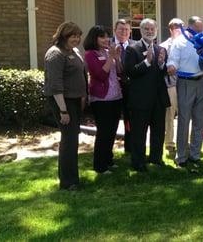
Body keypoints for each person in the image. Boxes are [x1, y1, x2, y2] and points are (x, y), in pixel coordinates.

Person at [43, 21, 86, 191]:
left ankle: (71, 178)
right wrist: (63, 110)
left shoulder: (73, 51)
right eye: (72, 36)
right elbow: (55, 84)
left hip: (74, 100)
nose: (76, 39)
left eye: (78, 36)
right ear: (63, 36)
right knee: (68, 140)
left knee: (72, 139)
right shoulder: (55, 54)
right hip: (63, 101)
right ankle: (68, 182)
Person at [123, 18, 170, 172]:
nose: (150, 32)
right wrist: (147, 62)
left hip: (158, 99)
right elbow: (130, 71)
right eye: (147, 29)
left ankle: (156, 158)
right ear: (141, 31)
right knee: (139, 133)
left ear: (156, 30)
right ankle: (138, 162)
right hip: (140, 100)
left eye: (152, 29)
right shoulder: (132, 49)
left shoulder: (160, 49)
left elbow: (161, 73)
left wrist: (162, 64)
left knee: (158, 131)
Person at [168, 16, 203, 167]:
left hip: (200, 82)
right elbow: (172, 60)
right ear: (190, 28)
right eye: (198, 29)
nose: (200, 32)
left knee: (200, 120)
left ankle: (195, 154)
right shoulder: (179, 42)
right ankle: (181, 156)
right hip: (185, 82)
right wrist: (171, 67)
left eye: (201, 29)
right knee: (184, 120)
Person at [83, 25, 123, 174]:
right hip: (101, 99)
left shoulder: (108, 52)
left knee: (112, 131)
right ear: (94, 38)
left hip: (116, 96)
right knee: (103, 132)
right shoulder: (90, 54)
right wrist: (111, 57)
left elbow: (119, 71)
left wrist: (116, 59)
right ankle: (99, 165)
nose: (106, 39)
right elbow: (100, 75)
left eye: (107, 36)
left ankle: (108, 160)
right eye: (102, 37)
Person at [160, 18, 184, 159]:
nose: (178, 29)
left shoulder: (187, 44)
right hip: (170, 85)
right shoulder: (164, 46)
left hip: (186, 83)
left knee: (185, 113)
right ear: (170, 30)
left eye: (181, 27)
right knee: (170, 114)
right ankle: (169, 142)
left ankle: (183, 141)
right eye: (175, 27)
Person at [113, 19, 135, 153]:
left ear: (130, 31)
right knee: (111, 121)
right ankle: (107, 150)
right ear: (115, 30)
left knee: (130, 119)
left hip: (130, 90)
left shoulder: (135, 46)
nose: (124, 32)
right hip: (111, 90)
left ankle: (129, 148)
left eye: (127, 29)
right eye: (121, 29)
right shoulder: (106, 45)